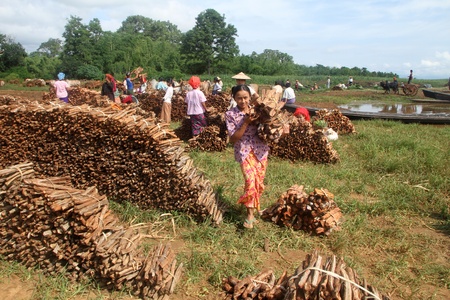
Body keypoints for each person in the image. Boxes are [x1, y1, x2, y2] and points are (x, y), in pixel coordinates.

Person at [225, 85, 270, 229]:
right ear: (234, 98)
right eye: (239, 98)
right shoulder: (230, 114)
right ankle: (249, 214)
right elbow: (233, 139)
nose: (243, 101)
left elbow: (270, 125)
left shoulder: (258, 110)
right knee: (250, 181)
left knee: (259, 182)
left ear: (250, 97)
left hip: (260, 150)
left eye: (245, 97)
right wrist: (245, 123)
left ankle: (254, 208)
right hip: (244, 150)